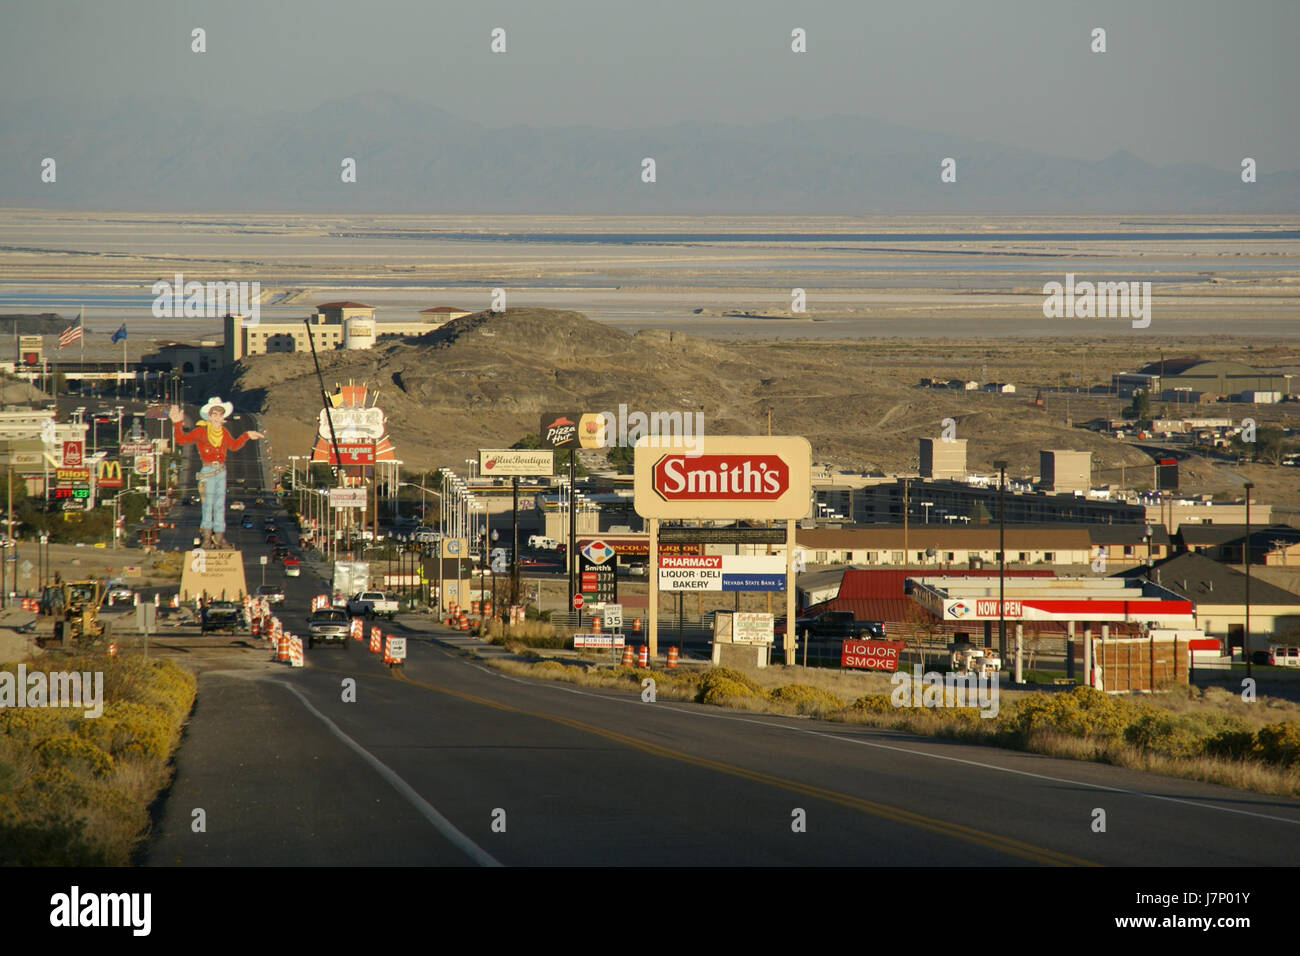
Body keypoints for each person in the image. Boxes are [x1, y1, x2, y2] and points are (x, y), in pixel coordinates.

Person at [170, 398, 263, 550]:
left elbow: (233, 445)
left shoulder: (224, 433)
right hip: (207, 472)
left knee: (220, 506)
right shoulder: (201, 431)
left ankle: (219, 538)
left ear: (222, 417)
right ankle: (207, 538)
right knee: (208, 505)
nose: (217, 417)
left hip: (221, 472)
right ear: (209, 416)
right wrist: (177, 423)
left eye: (220, 414)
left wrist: (246, 435)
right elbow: (181, 440)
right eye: (214, 413)